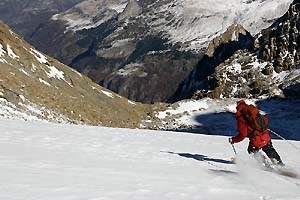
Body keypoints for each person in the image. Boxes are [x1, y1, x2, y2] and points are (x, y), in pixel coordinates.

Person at [228, 100, 284, 166]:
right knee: (269, 149)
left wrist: (233, 139)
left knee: (252, 151)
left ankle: (265, 164)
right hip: (265, 135)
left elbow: (243, 135)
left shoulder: (241, 117)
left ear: (237, 107)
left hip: (256, 139)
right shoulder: (253, 111)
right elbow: (265, 120)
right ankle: (280, 165)